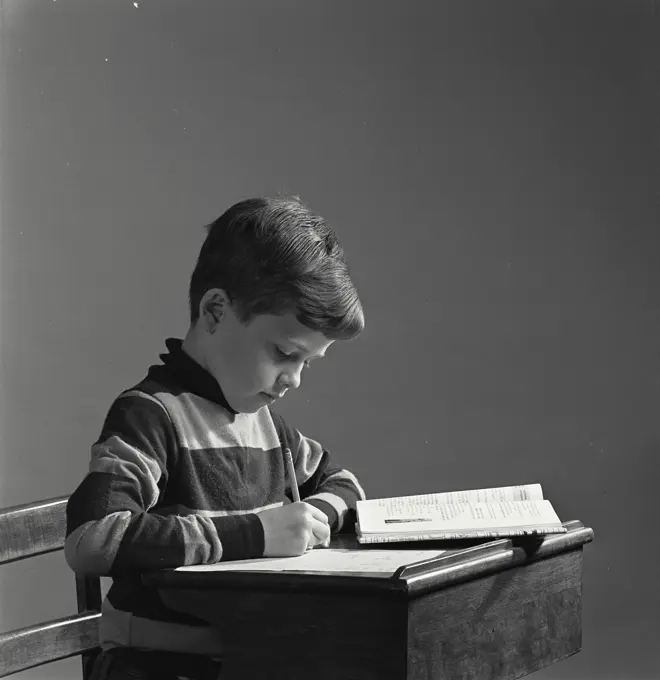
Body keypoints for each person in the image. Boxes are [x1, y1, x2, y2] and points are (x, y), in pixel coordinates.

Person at [65, 197, 366, 680]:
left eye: (307, 363)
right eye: (285, 353)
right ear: (215, 311)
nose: (294, 380)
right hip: (154, 669)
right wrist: (257, 534)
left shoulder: (266, 425)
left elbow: (346, 485)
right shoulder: (150, 416)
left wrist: (313, 519)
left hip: (244, 662)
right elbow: (91, 539)